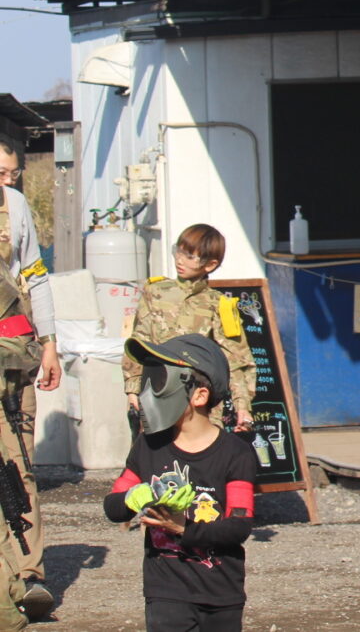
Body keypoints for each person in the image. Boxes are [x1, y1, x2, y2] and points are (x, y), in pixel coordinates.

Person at [107, 334, 257, 632]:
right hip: (165, 592)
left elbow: (239, 526)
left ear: (200, 395)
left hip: (221, 592)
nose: (149, 391)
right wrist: (135, 496)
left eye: (160, 379)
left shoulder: (236, 453)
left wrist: (183, 528)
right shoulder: (148, 446)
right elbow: (113, 507)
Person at [0, 143, 62, 618]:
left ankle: (28, 575)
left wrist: (50, 344)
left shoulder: (16, 207)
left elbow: (35, 276)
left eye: (11, 173)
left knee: (17, 466)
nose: (5, 181)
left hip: (12, 355)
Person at [123, 225, 255, 434]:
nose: (180, 260)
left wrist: (242, 407)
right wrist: (133, 390)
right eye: (179, 251)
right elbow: (139, 341)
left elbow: (235, 360)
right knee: (154, 451)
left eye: (190, 256)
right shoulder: (155, 291)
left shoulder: (218, 303)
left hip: (199, 400)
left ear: (210, 265)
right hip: (157, 392)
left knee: (203, 451)